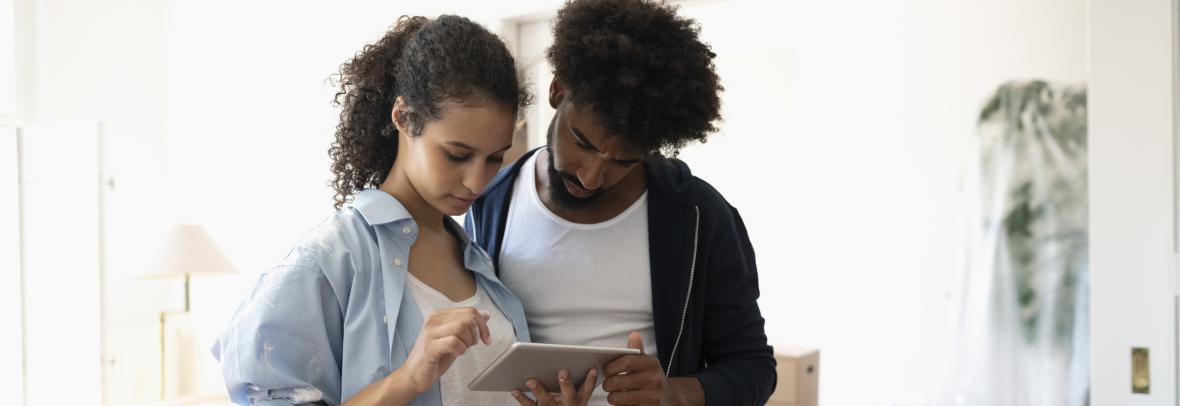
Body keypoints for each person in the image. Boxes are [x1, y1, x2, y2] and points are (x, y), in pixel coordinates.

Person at [211, 15, 572, 405]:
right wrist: (407, 379)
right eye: (457, 155)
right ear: (403, 118)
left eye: (494, 158)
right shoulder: (328, 260)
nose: (477, 182)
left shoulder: (479, 260)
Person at [465, 0, 777, 405]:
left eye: (625, 161)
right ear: (558, 90)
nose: (591, 177)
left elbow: (754, 369)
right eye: (582, 142)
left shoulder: (700, 217)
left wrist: (673, 393)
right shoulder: (489, 201)